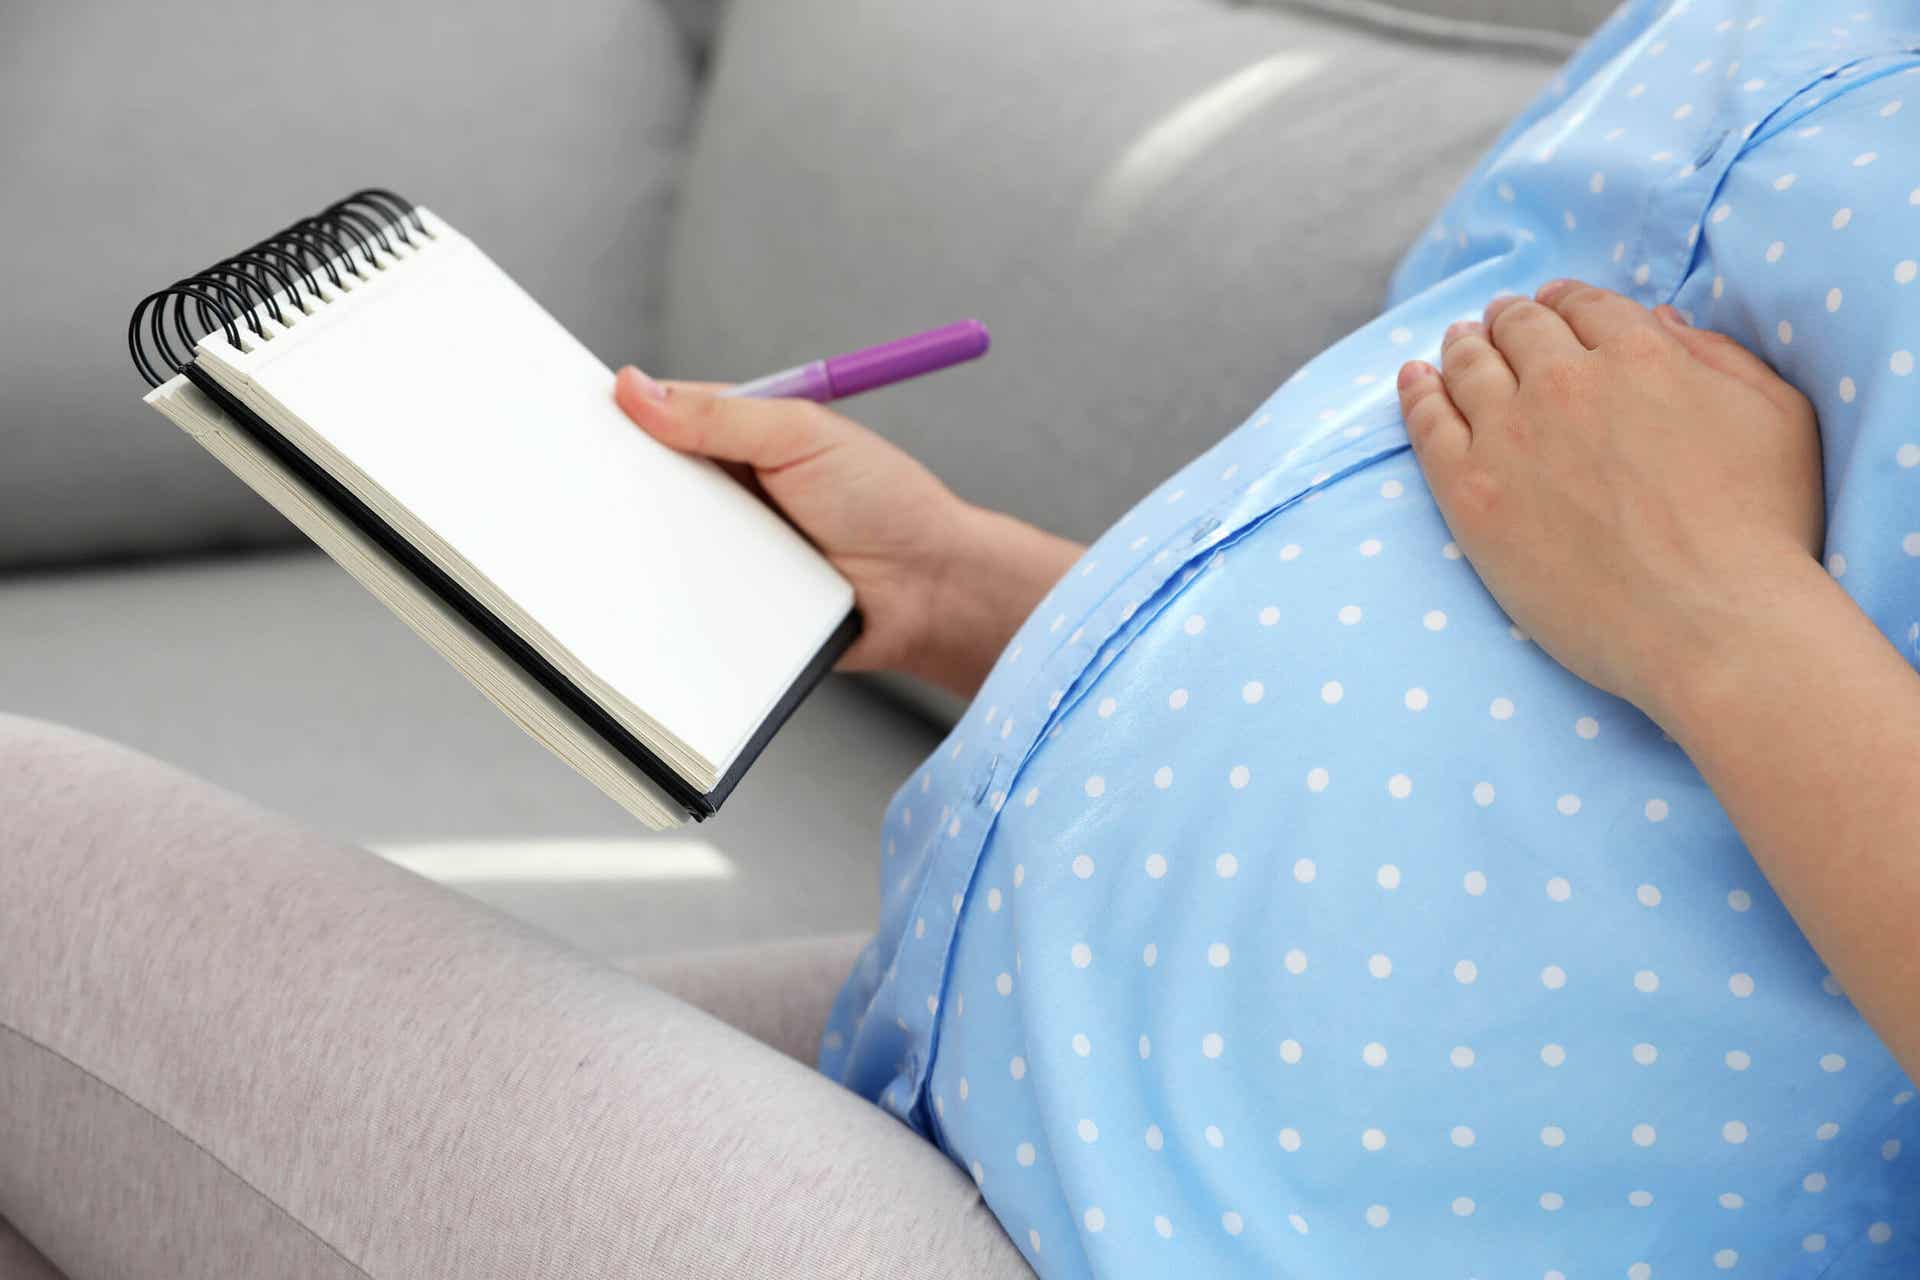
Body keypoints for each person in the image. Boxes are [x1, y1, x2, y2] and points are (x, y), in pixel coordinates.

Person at [2, 2, 1914, 1278]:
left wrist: (1719, 614)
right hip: (1017, 1055)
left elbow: (1659, 582)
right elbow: (1507, 648)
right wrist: (970, 585)